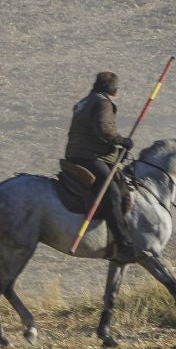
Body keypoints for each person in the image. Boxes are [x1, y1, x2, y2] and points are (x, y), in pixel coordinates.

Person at [64, 71, 136, 259]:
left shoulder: (84, 102)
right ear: (114, 89)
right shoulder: (103, 103)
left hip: (74, 154)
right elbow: (104, 130)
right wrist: (122, 141)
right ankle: (123, 244)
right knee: (111, 192)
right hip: (91, 156)